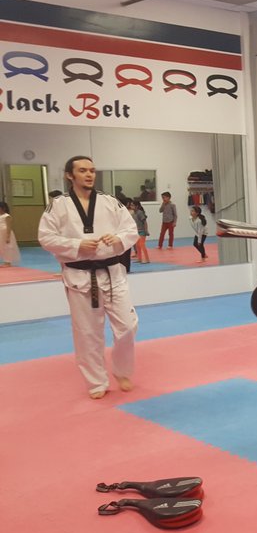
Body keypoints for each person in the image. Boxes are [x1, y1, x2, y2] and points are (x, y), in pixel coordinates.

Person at [38, 156, 139, 399]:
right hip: (79, 276)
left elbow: (131, 229)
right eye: (83, 170)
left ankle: (122, 371)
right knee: (87, 332)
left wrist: (118, 239)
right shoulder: (58, 205)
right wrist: (76, 245)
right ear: (69, 175)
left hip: (112, 273)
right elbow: (46, 237)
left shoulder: (110, 201)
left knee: (128, 325)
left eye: (92, 170)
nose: (89, 174)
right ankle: (96, 382)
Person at [128, 199, 150, 264]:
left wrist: (146, 230)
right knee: (137, 246)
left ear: (137, 206)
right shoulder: (133, 213)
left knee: (142, 245)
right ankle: (139, 259)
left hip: (142, 231)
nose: (131, 206)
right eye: (131, 205)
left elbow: (145, 222)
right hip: (136, 231)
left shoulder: (140, 213)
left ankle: (147, 259)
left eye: (132, 205)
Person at [0, 201, 21, 267]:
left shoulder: (7, 216)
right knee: (1, 247)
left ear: (3, 208)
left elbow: (9, 227)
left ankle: (8, 262)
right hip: (0, 234)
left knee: (7, 247)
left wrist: (8, 237)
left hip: (5, 233)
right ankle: (5, 261)